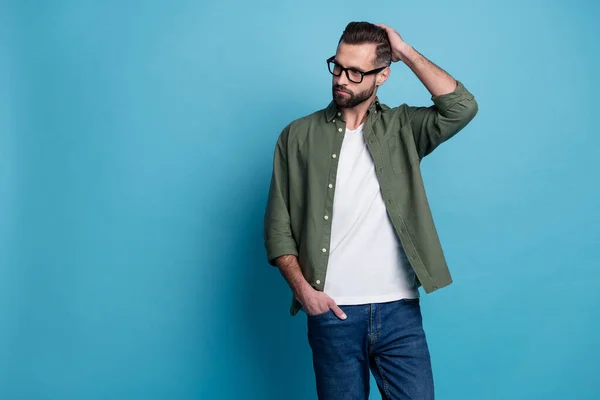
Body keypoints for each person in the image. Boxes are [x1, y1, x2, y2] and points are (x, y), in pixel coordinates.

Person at [263, 21, 478, 400]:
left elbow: (461, 107)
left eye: (356, 71)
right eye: (338, 65)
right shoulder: (297, 136)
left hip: (399, 313)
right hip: (333, 314)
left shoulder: (403, 128)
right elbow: (278, 227)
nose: (341, 79)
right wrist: (305, 292)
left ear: (383, 76)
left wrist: (407, 51)